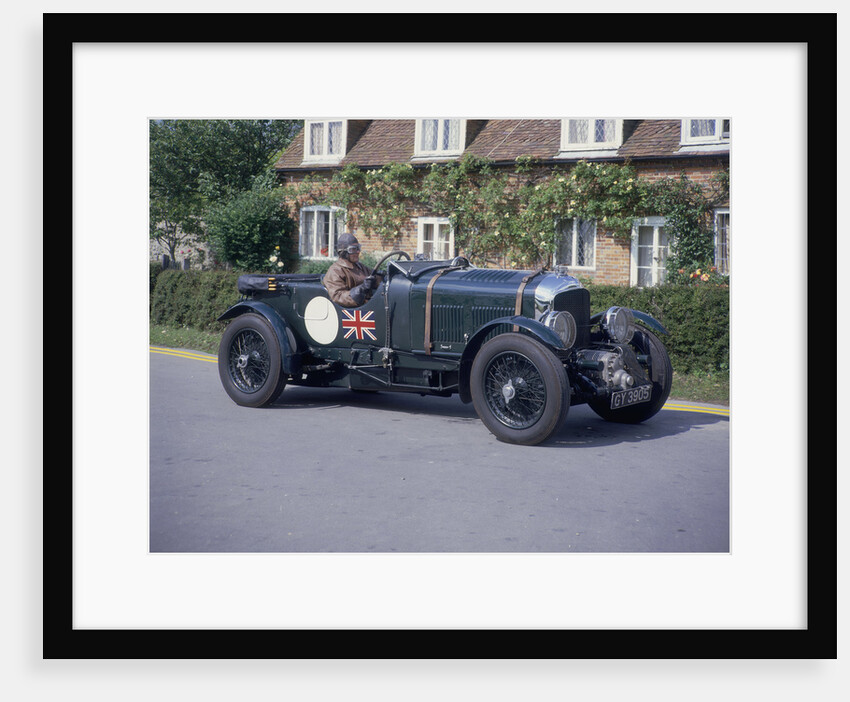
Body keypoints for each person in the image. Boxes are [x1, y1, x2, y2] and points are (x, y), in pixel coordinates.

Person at [323, 233, 382, 307]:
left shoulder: (360, 267)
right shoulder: (335, 271)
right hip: (355, 311)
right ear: (344, 252)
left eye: (358, 248)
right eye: (353, 249)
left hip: (369, 306)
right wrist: (362, 288)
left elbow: (375, 279)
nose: (358, 252)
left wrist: (382, 277)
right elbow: (338, 296)